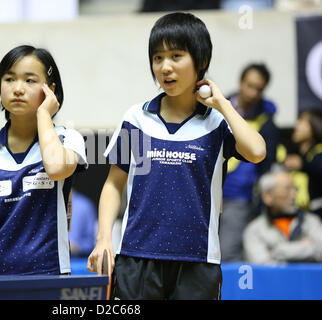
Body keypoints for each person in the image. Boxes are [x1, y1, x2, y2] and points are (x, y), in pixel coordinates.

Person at [87, 12, 266, 300]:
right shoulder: (136, 118)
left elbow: (257, 152)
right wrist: (104, 238)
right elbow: (113, 184)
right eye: (158, 58)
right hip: (136, 258)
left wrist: (222, 103)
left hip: (198, 262)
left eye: (176, 56)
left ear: (201, 61)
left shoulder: (217, 123)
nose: (165, 67)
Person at [0, 45, 88, 275]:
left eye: (30, 81)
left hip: (49, 274)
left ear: (50, 89)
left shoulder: (68, 139)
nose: (17, 89)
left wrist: (43, 114)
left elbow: (57, 168)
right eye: (9, 79)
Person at [219, 63, 279, 261]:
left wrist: (259, 203)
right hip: (208, 191)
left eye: (259, 89)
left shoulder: (267, 124)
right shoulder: (218, 108)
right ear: (240, 83)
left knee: (228, 253)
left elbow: (266, 167)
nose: (253, 93)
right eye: (250, 86)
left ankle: (226, 293)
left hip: (239, 198)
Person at [243, 166, 322, 264]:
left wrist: (277, 251)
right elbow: (263, 265)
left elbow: (320, 250)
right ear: (267, 196)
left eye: (295, 189)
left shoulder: (311, 221)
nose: (293, 195)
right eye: (287, 189)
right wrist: (306, 247)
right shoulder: (255, 230)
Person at [284, 109, 322, 219]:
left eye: (302, 121)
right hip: (298, 215)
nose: (297, 126)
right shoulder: (297, 153)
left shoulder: (318, 152)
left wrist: (303, 165)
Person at [69, 190, 97, 257]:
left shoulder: (84, 205)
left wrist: (77, 247)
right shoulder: (48, 204)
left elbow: (91, 242)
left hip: (78, 262)